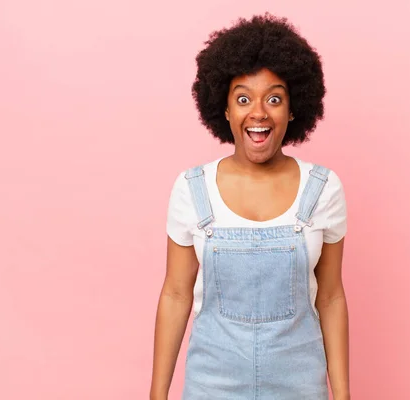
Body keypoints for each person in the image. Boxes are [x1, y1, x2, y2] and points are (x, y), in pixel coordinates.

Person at [150, 13, 350, 400]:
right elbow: (175, 294)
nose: (258, 112)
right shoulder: (193, 189)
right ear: (224, 110)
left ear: (293, 110)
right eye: (243, 99)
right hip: (212, 384)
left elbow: (331, 297)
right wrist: (157, 395)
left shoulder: (323, 189)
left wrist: (341, 395)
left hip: (300, 383)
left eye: (274, 99)